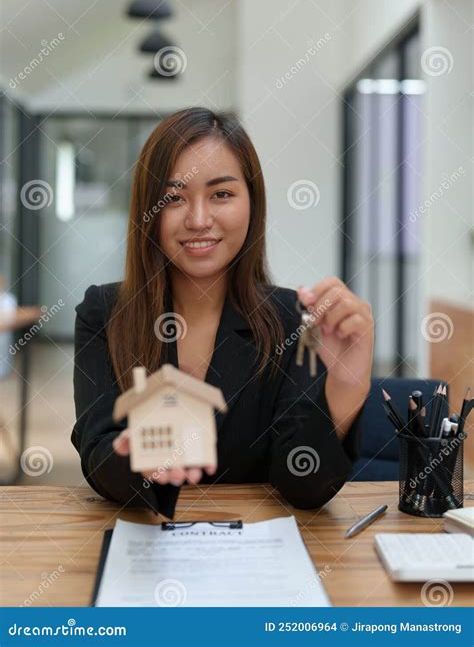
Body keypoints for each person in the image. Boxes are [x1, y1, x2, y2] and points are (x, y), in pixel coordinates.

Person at [72, 107, 374, 518]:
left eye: (222, 194)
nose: (198, 219)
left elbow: (301, 484)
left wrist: (346, 385)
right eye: (173, 197)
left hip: (255, 556)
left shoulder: (292, 318)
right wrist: (134, 459)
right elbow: (98, 455)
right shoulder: (104, 313)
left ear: (253, 203)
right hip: (145, 541)